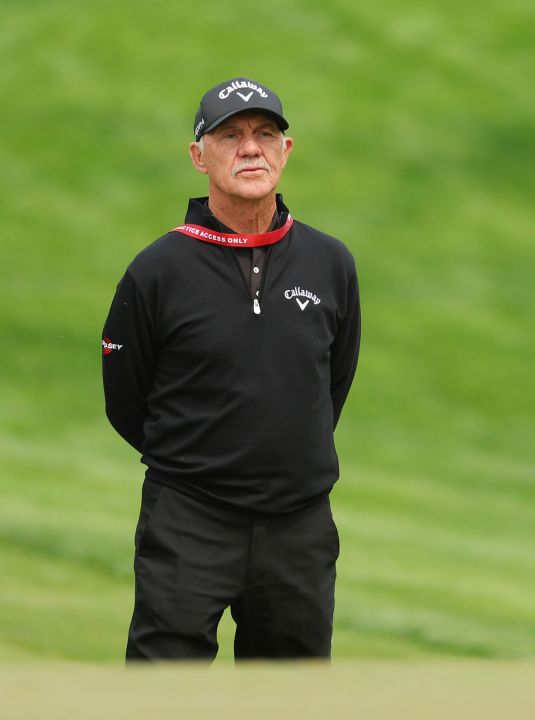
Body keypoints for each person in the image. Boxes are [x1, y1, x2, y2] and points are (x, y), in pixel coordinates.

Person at [102, 77, 361, 661]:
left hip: (299, 527)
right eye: (231, 135)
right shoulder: (158, 269)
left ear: (285, 152)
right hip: (190, 520)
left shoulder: (330, 262)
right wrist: (199, 461)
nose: (252, 148)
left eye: (266, 134)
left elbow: (331, 382)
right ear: (199, 155)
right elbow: (126, 399)